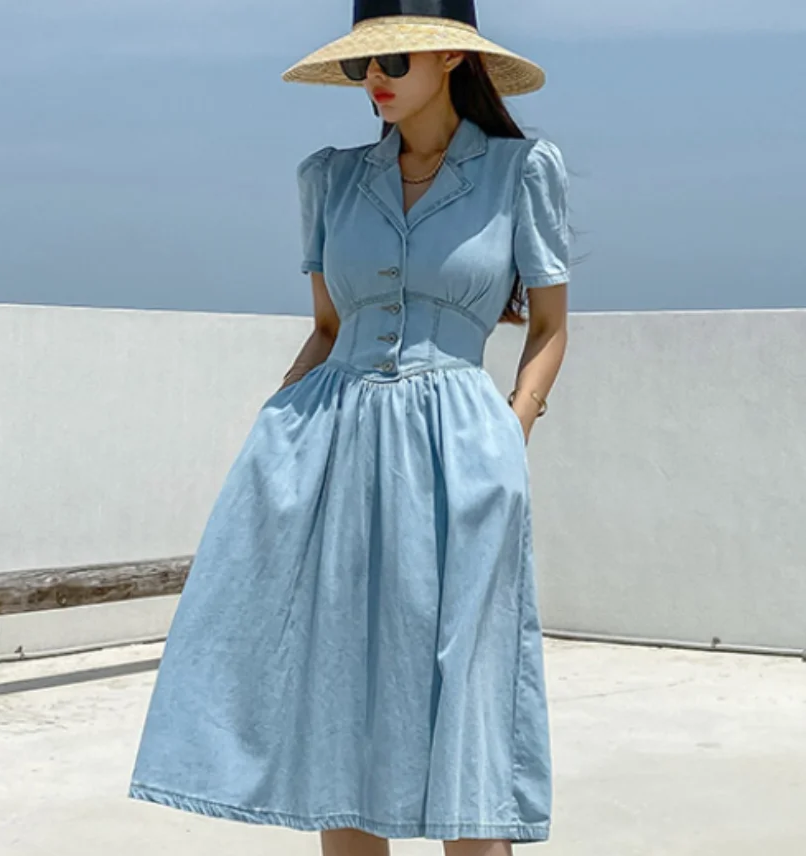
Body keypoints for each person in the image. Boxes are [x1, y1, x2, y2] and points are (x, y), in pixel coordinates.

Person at [127, 2, 571, 855]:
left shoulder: (520, 172)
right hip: (329, 439)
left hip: (462, 450)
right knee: (339, 690)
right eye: (362, 64)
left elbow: (549, 330)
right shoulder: (331, 179)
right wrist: (277, 433)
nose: (374, 79)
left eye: (393, 61)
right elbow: (329, 329)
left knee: (467, 693)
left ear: (451, 58)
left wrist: (510, 437)